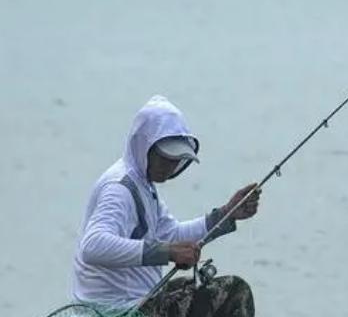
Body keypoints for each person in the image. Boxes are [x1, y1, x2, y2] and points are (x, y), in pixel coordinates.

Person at [72, 95, 260, 317]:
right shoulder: (120, 188)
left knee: (187, 288)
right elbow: (92, 246)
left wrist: (226, 214)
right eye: (164, 158)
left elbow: (171, 234)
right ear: (143, 147)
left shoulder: (144, 185)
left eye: (175, 160)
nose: (169, 167)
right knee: (234, 291)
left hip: (140, 302)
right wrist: (167, 252)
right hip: (118, 310)